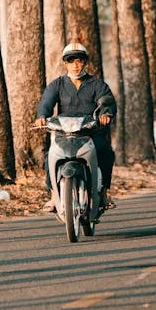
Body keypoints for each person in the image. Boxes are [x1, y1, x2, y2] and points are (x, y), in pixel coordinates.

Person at [34, 43, 117, 212]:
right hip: (64, 134)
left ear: (85, 62)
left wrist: (105, 114)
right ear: (65, 63)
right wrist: (42, 116)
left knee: (106, 153)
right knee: (50, 155)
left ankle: (104, 193)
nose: (75, 65)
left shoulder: (97, 84)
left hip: (91, 132)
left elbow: (108, 101)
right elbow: (46, 103)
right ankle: (53, 196)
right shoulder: (57, 85)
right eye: (71, 61)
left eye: (79, 60)